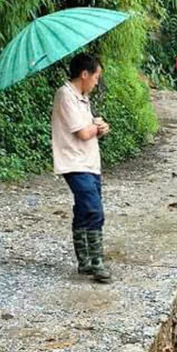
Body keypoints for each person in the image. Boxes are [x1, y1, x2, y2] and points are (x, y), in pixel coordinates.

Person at [52, 53, 112, 283]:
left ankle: (84, 261)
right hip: (74, 162)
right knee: (95, 210)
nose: (97, 82)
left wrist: (100, 126)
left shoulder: (82, 97)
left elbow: (89, 129)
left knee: (84, 210)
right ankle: (97, 262)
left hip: (89, 162)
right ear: (84, 74)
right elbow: (84, 132)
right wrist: (95, 128)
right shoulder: (65, 95)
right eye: (96, 76)